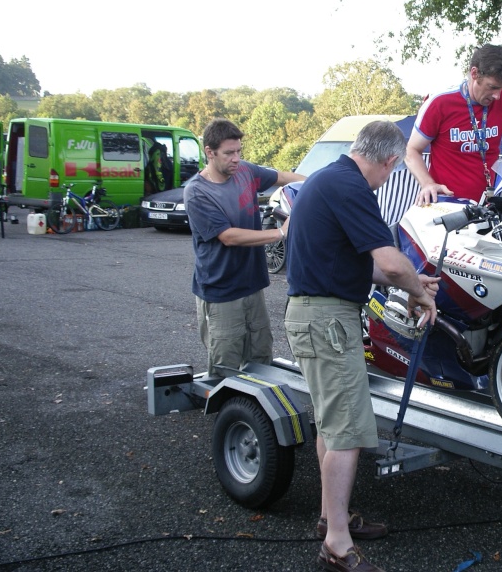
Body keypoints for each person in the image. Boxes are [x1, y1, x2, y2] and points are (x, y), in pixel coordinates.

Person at [284, 121, 438, 572]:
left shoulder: (328, 179)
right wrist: (420, 291)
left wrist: (411, 282)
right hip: (327, 320)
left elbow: (346, 263)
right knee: (348, 430)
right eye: (393, 171)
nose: (389, 178)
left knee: (332, 427)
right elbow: (391, 265)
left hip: (314, 314)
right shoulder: (351, 187)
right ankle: (336, 544)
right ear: (390, 161)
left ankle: (330, 518)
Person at [184, 118, 304, 377]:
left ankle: (254, 415)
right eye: (229, 153)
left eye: (239, 151)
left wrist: (317, 186)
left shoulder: (245, 171)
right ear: (209, 152)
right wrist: (280, 233)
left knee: (261, 356)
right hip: (221, 291)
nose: (236, 158)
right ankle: (230, 416)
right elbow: (228, 236)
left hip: (252, 285)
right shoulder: (197, 192)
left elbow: (282, 177)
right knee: (226, 365)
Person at [405, 43, 502, 205]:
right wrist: (427, 183)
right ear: (474, 73)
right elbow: (411, 150)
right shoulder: (440, 102)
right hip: (445, 205)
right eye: (492, 87)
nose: (497, 96)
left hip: (484, 206)